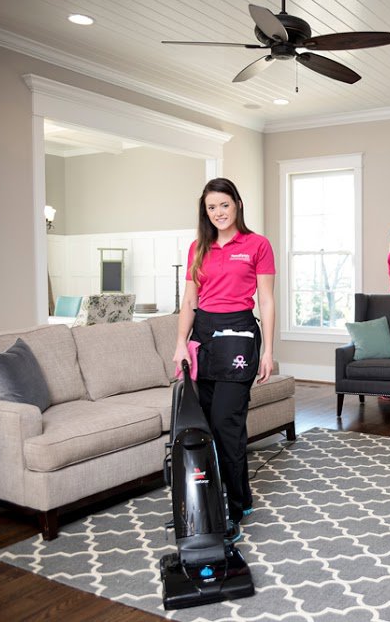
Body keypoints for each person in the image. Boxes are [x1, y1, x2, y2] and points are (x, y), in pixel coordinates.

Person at [173, 177, 275, 543]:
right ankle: (221, 497)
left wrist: (268, 351)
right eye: (211, 207)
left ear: (238, 204)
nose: (218, 212)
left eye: (224, 205)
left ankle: (235, 504)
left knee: (226, 423)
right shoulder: (197, 248)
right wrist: (180, 343)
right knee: (205, 424)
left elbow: (266, 300)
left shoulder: (257, 245)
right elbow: (190, 301)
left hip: (239, 337)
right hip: (203, 337)